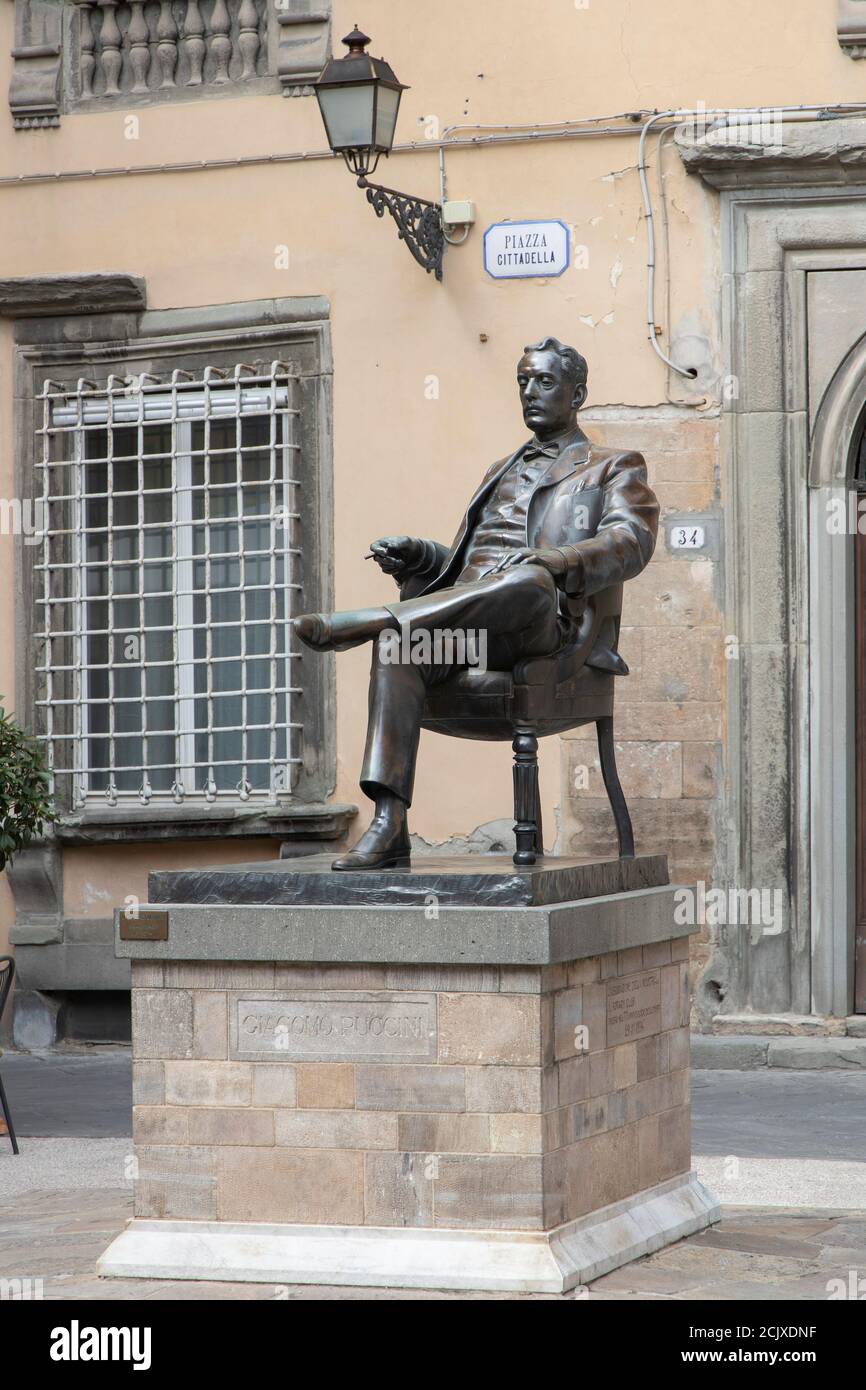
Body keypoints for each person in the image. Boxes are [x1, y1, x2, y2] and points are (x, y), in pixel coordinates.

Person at [294, 337, 659, 869]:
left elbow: (631, 543)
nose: (530, 392)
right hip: (474, 631)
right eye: (523, 381)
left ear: (577, 393)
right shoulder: (497, 469)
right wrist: (421, 555)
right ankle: (389, 823)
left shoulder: (612, 466)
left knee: (529, 579)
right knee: (400, 648)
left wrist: (556, 560)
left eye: (545, 382)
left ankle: (370, 620)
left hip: (543, 629)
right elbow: (468, 572)